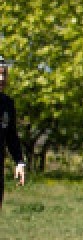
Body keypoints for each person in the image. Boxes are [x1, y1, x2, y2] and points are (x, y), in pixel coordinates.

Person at [0, 57, 28, 209]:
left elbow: (11, 137)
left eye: (4, 74)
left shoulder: (7, 104)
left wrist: (19, 162)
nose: (1, 78)